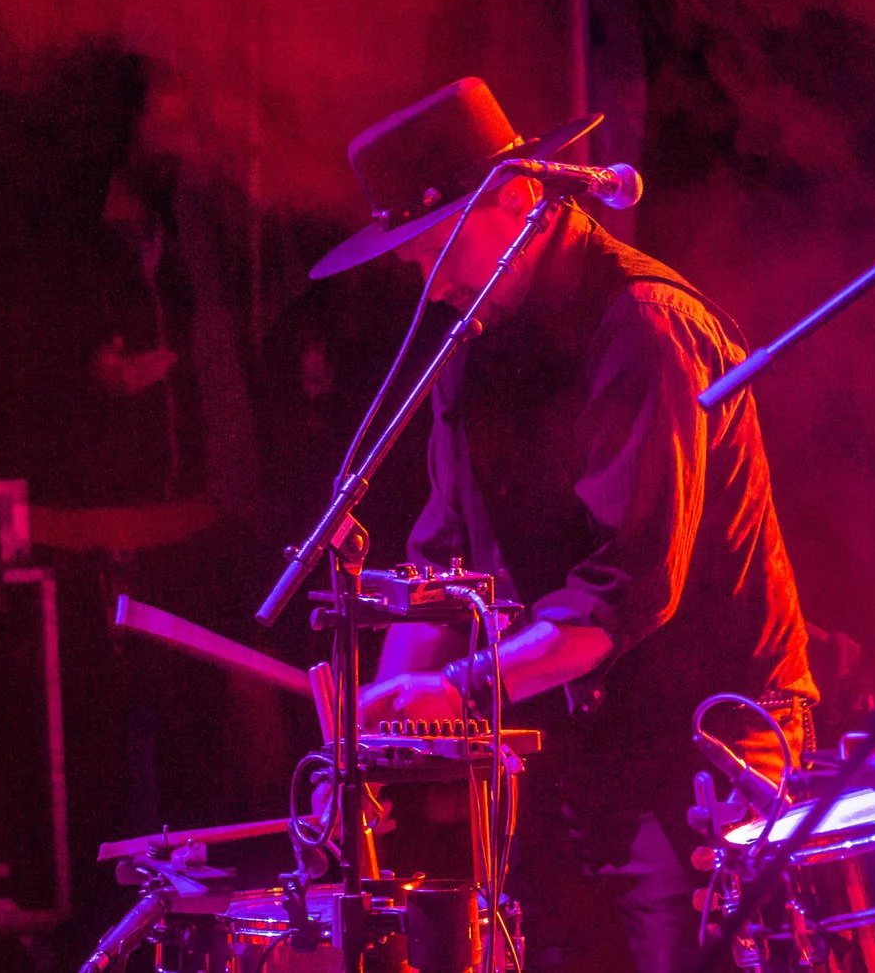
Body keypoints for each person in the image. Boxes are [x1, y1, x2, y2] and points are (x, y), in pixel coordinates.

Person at [309, 77, 815, 973]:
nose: (433, 285)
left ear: (517, 201)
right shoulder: (475, 342)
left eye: (440, 250)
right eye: (417, 262)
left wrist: (456, 689)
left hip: (703, 740)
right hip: (574, 737)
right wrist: (382, 736)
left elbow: (622, 596)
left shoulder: (644, 326)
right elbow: (444, 560)